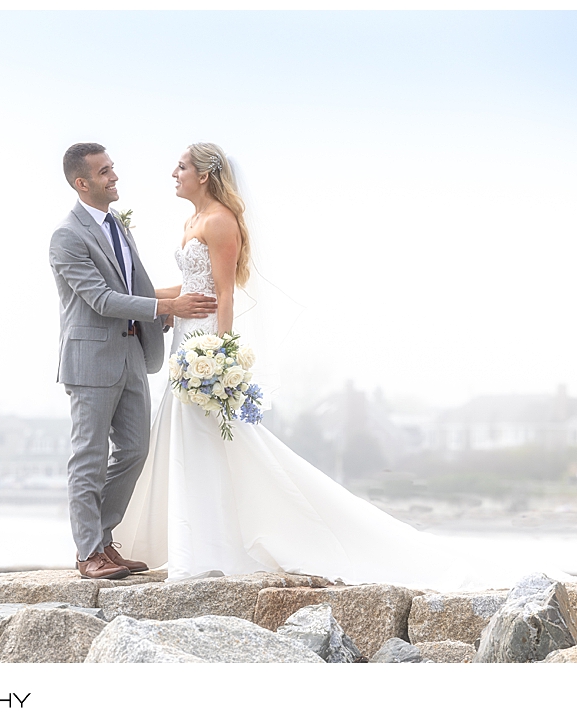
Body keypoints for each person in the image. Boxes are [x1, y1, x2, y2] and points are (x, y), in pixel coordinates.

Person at [112, 142, 481, 591]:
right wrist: (154, 303)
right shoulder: (190, 221)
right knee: (188, 436)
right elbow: (192, 284)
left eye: (182, 166)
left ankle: (220, 544)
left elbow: (225, 294)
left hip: (203, 341)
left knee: (214, 436)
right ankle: (193, 542)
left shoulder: (221, 221)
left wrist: (217, 355)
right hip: (182, 340)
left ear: (205, 175)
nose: (174, 172)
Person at [49, 142, 218, 580]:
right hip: (90, 361)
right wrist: (169, 309)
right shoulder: (67, 237)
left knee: (135, 451)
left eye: (113, 168)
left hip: (132, 353)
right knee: (88, 456)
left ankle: (104, 540)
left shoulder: (119, 228)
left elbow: (134, 289)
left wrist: (178, 302)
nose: (115, 177)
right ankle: (88, 554)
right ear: (81, 183)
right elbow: (103, 300)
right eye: (105, 172)